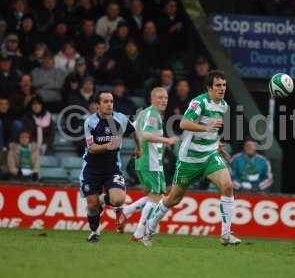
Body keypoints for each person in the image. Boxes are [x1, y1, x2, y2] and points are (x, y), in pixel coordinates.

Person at [146, 70, 241, 246]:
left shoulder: (224, 106)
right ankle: (149, 227)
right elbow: (183, 123)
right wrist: (206, 127)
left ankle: (226, 234)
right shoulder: (199, 102)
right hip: (189, 158)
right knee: (173, 199)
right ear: (209, 88)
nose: (222, 89)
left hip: (210, 155)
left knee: (227, 186)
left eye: (224, 85)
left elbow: (213, 130)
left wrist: (218, 144)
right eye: (218, 86)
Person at [116, 87, 177, 245]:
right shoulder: (153, 115)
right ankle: (139, 234)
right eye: (160, 97)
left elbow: (133, 130)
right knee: (156, 198)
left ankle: (127, 211)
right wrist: (167, 141)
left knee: (156, 196)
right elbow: (146, 135)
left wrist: (138, 147)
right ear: (152, 99)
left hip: (146, 161)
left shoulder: (144, 113)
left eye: (165, 97)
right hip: (150, 162)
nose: (163, 100)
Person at [80, 90, 141, 242]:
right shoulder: (90, 122)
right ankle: (95, 232)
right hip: (92, 168)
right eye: (105, 101)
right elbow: (92, 148)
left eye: (111, 101)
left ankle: (104, 201)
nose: (109, 104)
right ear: (97, 105)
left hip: (112, 167)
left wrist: (138, 148)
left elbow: (134, 132)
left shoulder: (120, 119)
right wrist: (108, 145)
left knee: (119, 200)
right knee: (92, 205)